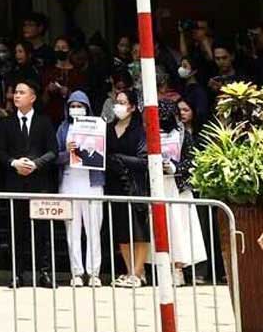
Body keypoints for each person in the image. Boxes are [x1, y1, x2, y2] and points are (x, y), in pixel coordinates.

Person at [0, 78, 58, 287]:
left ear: (32, 97)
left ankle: (45, 272)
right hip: (15, 183)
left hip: (39, 184)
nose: (16, 96)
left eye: (22, 92)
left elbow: (53, 151)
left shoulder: (44, 122)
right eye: (15, 92)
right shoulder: (6, 122)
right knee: (16, 231)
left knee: (42, 231)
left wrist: (36, 164)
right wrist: (14, 163)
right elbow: (0, 152)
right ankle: (17, 273)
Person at [56, 90, 104, 286]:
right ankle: (76, 272)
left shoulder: (97, 126)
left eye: (80, 106)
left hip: (92, 183)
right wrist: (67, 152)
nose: (76, 110)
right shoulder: (62, 128)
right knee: (72, 231)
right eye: (73, 106)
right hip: (69, 182)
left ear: (87, 108)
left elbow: (102, 155)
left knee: (94, 230)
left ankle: (94, 273)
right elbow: (55, 157)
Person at [159, 98, 207, 286]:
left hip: (176, 187)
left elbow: (192, 160)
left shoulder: (182, 135)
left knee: (179, 229)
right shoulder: (150, 134)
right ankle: (162, 269)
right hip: (158, 185)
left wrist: (174, 168)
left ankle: (178, 269)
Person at [105, 87, 149, 288]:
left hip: (134, 185)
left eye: (123, 103)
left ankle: (138, 272)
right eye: (117, 102)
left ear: (132, 107)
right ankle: (129, 269)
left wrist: (119, 159)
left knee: (138, 230)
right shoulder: (108, 129)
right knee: (121, 230)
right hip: (114, 184)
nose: (118, 106)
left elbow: (143, 160)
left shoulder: (139, 131)